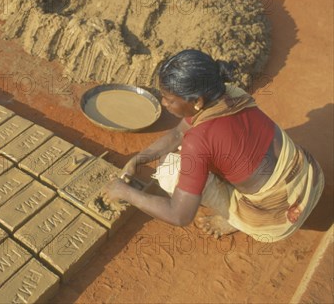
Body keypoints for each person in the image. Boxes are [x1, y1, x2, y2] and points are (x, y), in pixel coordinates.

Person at [102, 49, 324, 241]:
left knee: (169, 169)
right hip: (309, 177)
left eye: (169, 99)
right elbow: (178, 134)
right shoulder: (228, 93)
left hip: (276, 216)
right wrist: (137, 159)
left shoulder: (199, 142)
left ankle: (238, 219)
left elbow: (179, 215)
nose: (163, 103)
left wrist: (125, 192)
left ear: (197, 101)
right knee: (204, 152)